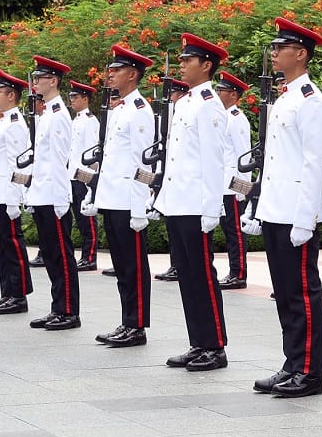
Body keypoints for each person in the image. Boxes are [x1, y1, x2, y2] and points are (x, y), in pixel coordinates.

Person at [246, 17, 322, 398]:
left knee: (301, 293)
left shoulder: (311, 99)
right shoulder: (286, 95)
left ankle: (309, 372)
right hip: (276, 208)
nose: (275, 53)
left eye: (281, 48)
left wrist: (306, 216)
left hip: (296, 211)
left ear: (301, 54)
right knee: (284, 291)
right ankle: (292, 363)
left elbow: (313, 162)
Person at [156, 34, 230, 372]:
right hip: (178, 201)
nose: (182, 65)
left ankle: (214, 346)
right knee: (187, 275)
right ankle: (197, 341)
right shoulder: (184, 103)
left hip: (196, 205)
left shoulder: (209, 104)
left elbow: (214, 161)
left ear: (206, 65)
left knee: (202, 274)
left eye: (188, 60)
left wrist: (211, 208)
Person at [89, 44, 157, 348]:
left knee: (134, 266)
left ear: (132, 74)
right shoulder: (120, 109)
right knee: (121, 264)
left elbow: (143, 162)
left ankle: (137, 324)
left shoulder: (140, 111)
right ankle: (127, 320)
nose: (110, 75)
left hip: (128, 200)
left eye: (116, 70)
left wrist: (140, 205)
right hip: (112, 197)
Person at [26, 56, 82, 332]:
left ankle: (69, 310)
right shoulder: (47, 112)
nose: (35, 82)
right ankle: (57, 307)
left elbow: (62, 160)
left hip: (54, 195)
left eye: (39, 78)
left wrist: (61, 198)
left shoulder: (59, 115)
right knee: (50, 254)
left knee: (61, 255)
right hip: (42, 194)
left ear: (53, 81)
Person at [0, 69, 34, 314]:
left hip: (7, 195)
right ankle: (7, 292)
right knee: (3, 247)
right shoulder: (3, 121)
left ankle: (19, 295)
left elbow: (19, 163)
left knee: (13, 246)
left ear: (11, 95)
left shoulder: (14, 124)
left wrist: (15, 199)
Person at [215, 70, 252, 289]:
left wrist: (242, 188)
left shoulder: (237, 119)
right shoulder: (222, 117)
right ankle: (232, 270)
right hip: (222, 184)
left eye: (222, 91)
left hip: (233, 185)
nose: (218, 94)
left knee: (235, 231)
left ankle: (239, 273)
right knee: (228, 230)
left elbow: (243, 154)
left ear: (233, 95)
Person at [154, 78, 191, 282]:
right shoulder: (176, 113)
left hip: (197, 191)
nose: (170, 98)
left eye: (173, 94)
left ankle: (238, 272)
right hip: (174, 185)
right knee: (173, 232)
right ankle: (175, 264)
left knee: (231, 232)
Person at [67, 80, 100, 270]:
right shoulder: (76, 120)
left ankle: (90, 257)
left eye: (75, 97)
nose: (72, 100)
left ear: (85, 98)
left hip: (83, 176)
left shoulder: (90, 121)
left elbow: (91, 153)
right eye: (70, 97)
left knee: (87, 221)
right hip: (72, 175)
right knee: (79, 220)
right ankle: (84, 256)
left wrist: (90, 183)